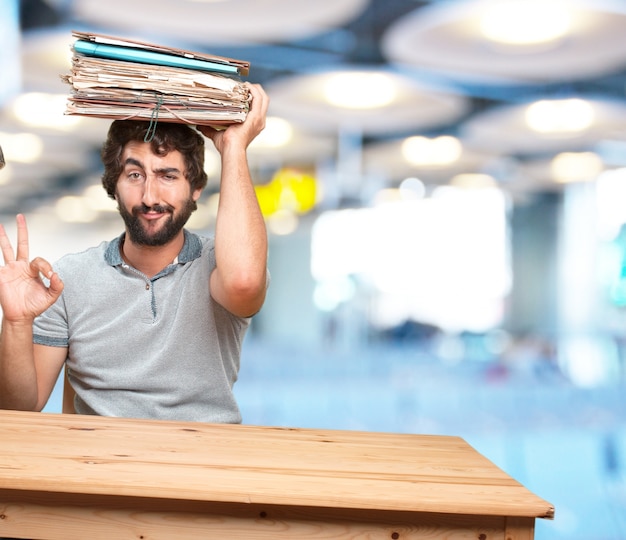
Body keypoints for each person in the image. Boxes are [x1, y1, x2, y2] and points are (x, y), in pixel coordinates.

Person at [0, 83, 269, 423]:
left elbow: (244, 283)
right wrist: (16, 322)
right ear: (114, 184)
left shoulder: (221, 265)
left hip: (204, 463)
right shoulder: (66, 280)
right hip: (100, 466)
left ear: (196, 188)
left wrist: (234, 148)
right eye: (134, 175)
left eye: (168, 175)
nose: (149, 196)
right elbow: (18, 409)